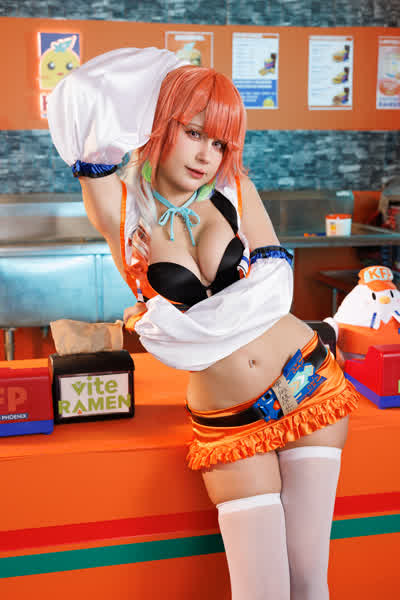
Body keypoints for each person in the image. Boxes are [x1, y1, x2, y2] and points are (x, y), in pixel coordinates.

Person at [48, 47, 360, 600]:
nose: (207, 155)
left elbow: (276, 288)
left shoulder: (235, 190)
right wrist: (158, 79)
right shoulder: (122, 208)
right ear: (161, 124)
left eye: (220, 142)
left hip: (306, 381)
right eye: (193, 132)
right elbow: (81, 105)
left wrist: (178, 322)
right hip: (228, 419)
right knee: (260, 594)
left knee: (311, 585)